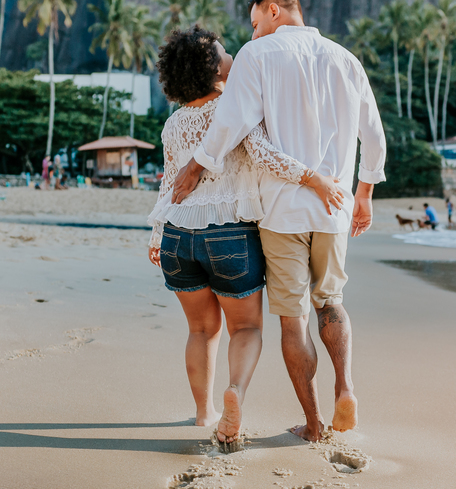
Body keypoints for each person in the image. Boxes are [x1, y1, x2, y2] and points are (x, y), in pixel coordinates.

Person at [172, 0, 387, 442]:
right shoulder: (346, 59)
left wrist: (196, 165)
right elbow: (374, 132)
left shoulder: (258, 55)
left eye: (254, 23)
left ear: (273, 10)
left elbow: (234, 121)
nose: (251, 35)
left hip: (279, 211)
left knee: (293, 320)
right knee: (332, 301)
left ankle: (312, 424)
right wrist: (364, 194)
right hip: (334, 206)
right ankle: (345, 386)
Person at [148, 26, 344, 446]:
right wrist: (313, 179)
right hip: (229, 235)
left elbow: (169, 184)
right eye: (223, 52)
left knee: (200, 330)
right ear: (215, 69)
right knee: (246, 329)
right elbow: (265, 156)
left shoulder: (173, 124)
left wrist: (156, 233)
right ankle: (234, 391)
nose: (231, 53)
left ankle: (204, 413)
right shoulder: (235, 109)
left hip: (177, 239)